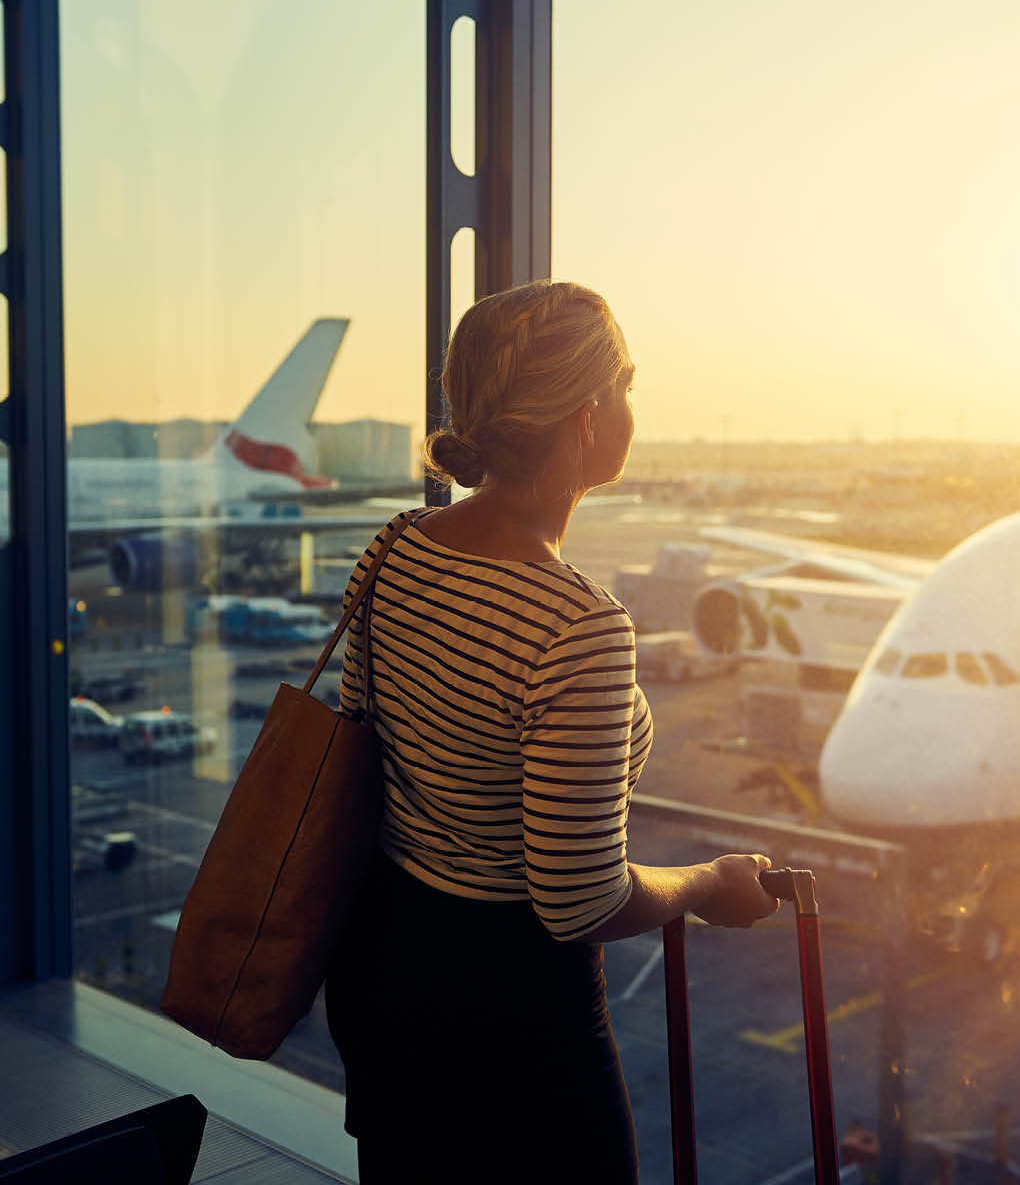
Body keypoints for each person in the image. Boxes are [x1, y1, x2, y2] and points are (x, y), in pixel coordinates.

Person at [324, 281, 780, 1183]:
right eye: (626, 385)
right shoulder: (575, 625)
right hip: (508, 1020)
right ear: (585, 418)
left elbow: (361, 738)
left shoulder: (395, 546)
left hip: (385, 968)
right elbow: (576, 903)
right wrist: (703, 883)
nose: (632, 409)